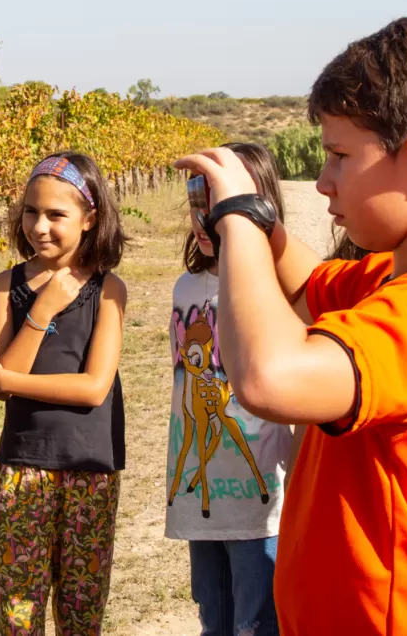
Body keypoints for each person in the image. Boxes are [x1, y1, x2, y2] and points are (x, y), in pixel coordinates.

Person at [175, 13, 407, 635]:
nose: (324, 181)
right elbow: (308, 284)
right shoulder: (390, 280)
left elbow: (269, 379)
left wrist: (234, 222)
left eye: (338, 155)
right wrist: (256, 219)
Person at [0, 152, 127, 636]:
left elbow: (92, 388)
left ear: (90, 219)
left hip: (90, 470)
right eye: (31, 212)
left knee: (82, 606)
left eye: (56, 215)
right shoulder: (8, 286)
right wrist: (44, 306)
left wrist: (9, 381)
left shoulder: (109, 291)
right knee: (15, 605)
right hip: (23, 464)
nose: (40, 226)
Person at [166, 142, 291, 636]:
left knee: (255, 622)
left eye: (218, 204)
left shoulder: (279, 288)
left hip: (261, 501)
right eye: (198, 203)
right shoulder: (185, 288)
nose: (205, 218)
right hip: (203, 497)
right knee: (212, 619)